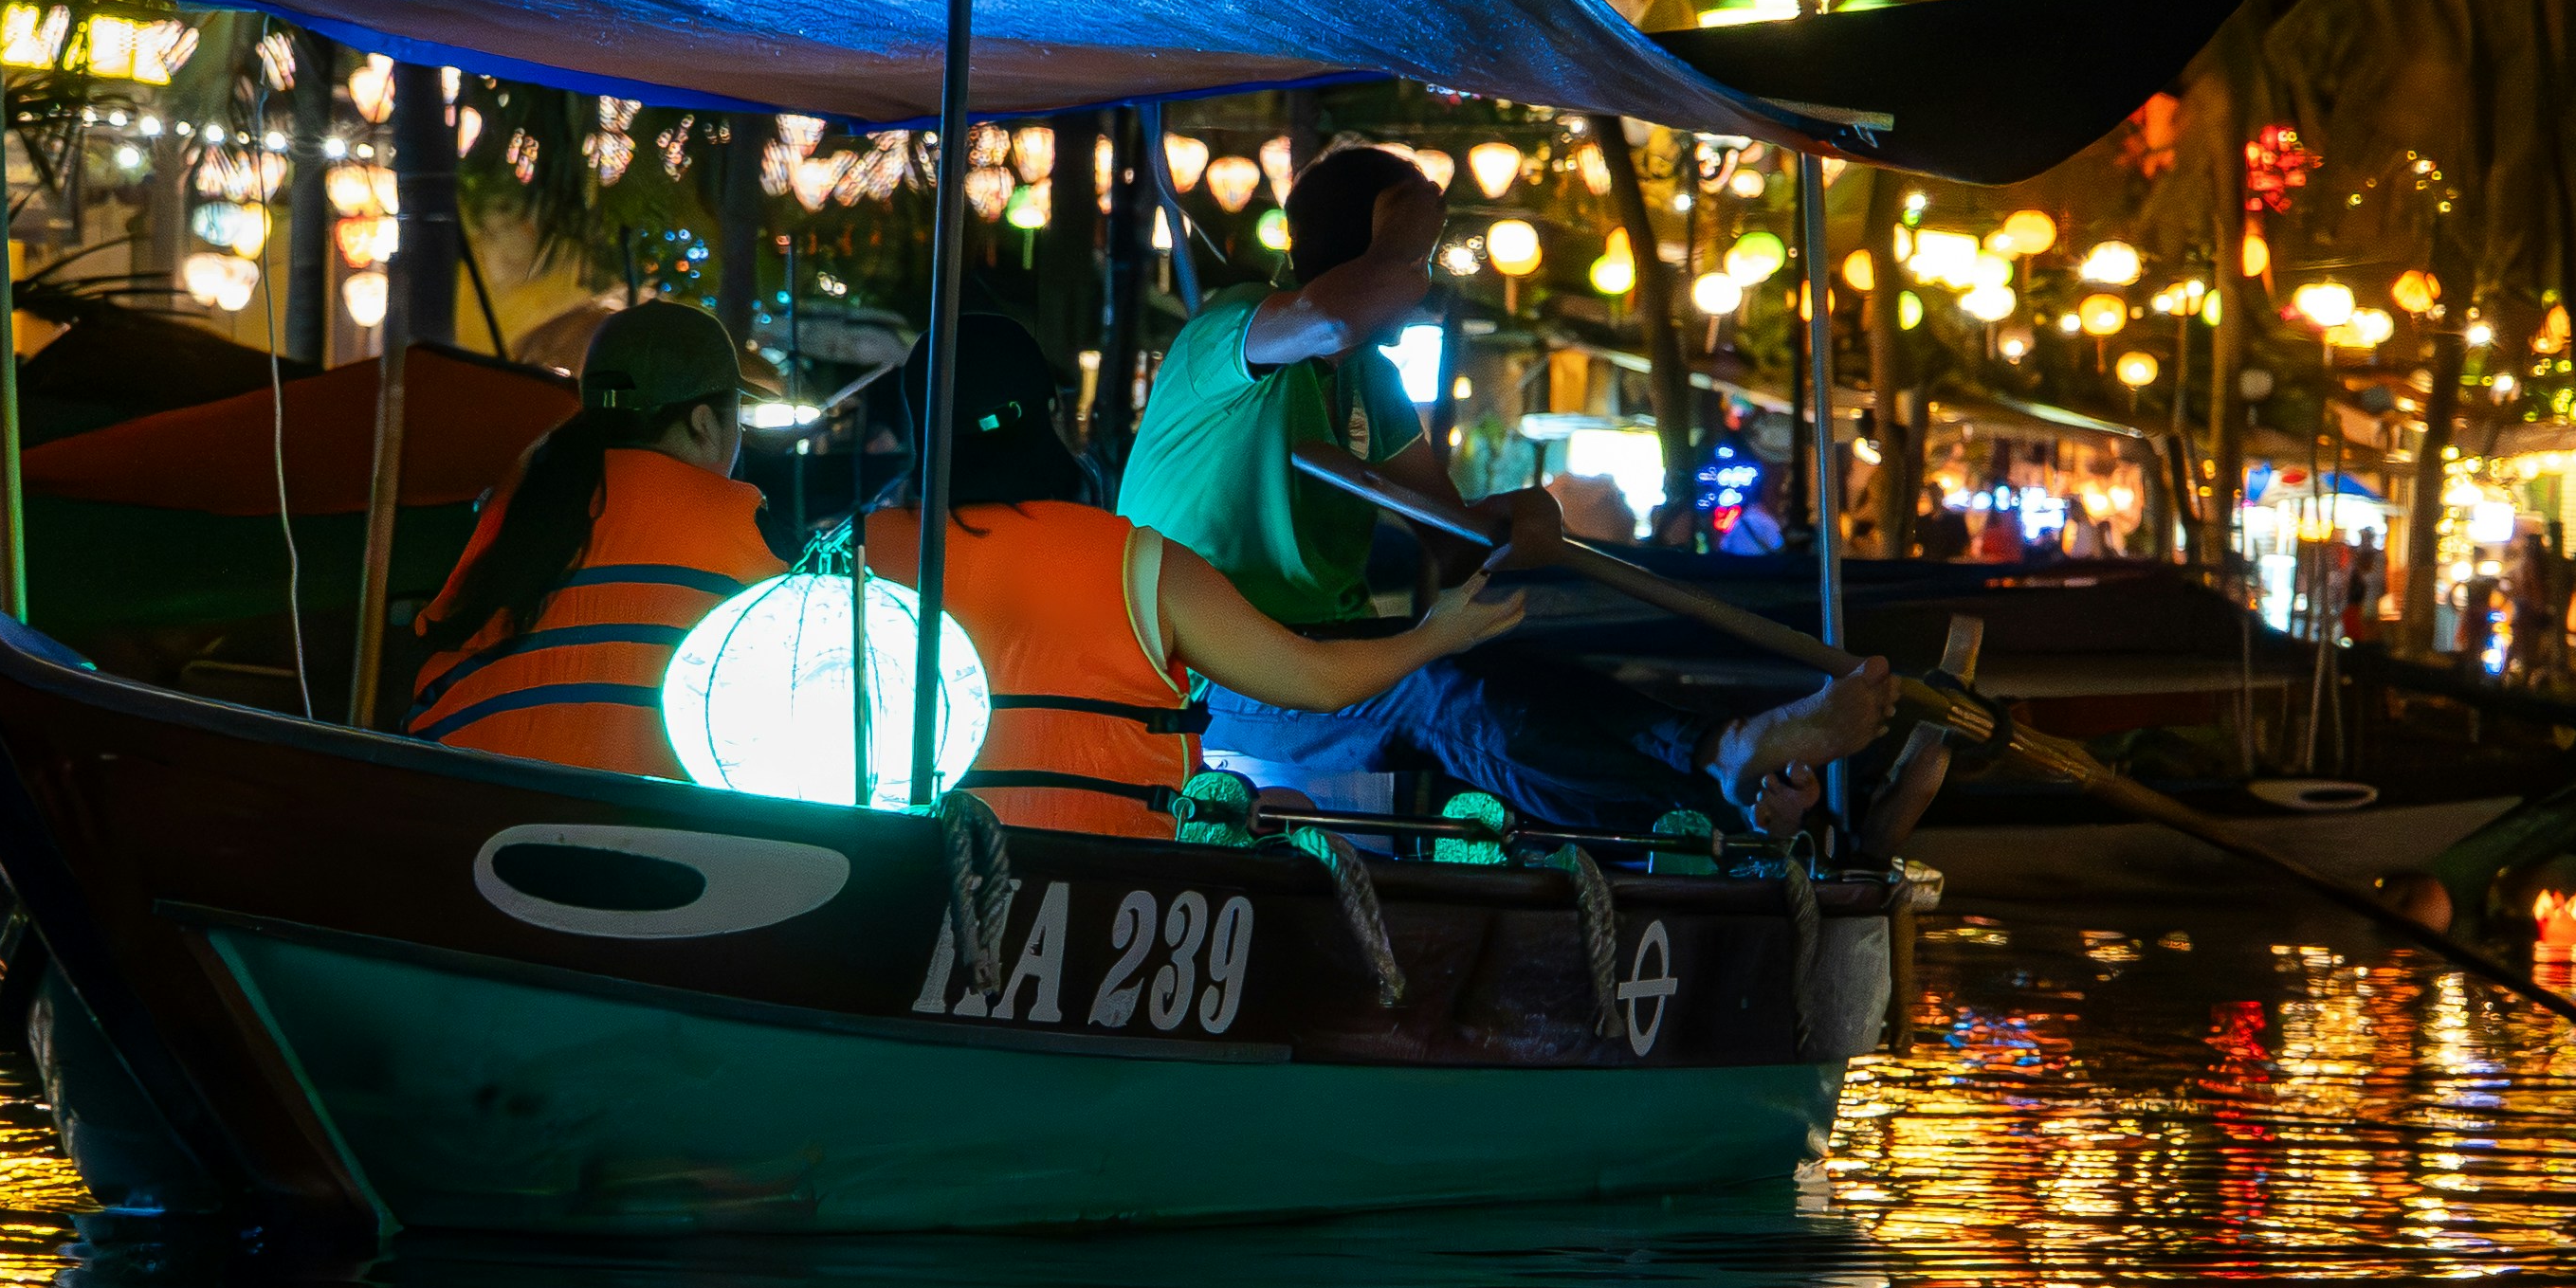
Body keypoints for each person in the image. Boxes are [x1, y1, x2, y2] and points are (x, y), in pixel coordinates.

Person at [1122, 143, 1893, 834]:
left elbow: (1455, 542)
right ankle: (1709, 817)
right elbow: (1330, 316)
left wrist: (1518, 518)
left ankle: (1718, 752)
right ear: (1379, 250)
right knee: (1435, 688)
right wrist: (1408, 219)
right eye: (1418, 255)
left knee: (1518, 667)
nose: (1422, 283)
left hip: (1329, 648)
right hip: (1213, 673)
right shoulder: (1226, 332)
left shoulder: (1368, 379)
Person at [857, 316, 1527, 835]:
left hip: (918, 859)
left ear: (919, 424)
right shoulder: (1141, 561)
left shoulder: (856, 558)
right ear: (1048, 414)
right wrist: (1441, 633)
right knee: (1283, 807)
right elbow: (1321, 683)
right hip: (1120, 878)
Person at [402, 299, 782, 773]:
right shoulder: (750, 537)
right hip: (657, 813)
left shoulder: (525, 497)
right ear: (704, 422)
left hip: (463, 784)